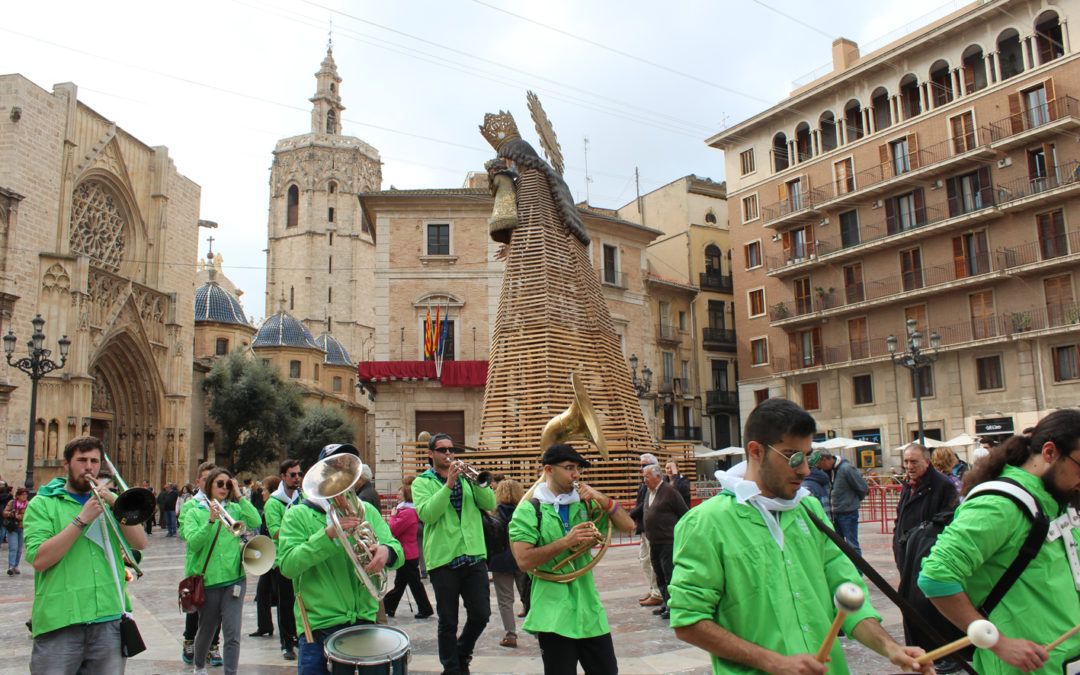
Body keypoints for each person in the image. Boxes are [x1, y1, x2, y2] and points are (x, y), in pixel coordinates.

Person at [669, 398, 932, 674]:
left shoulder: (809, 509)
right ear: (756, 451)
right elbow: (688, 620)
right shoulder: (706, 522)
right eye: (793, 457)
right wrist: (773, 662)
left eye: (810, 456)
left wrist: (891, 649)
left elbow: (846, 594)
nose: (806, 469)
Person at [919, 409, 1080, 674]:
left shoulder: (1057, 499)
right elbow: (936, 576)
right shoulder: (999, 505)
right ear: (1050, 453)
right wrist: (997, 642)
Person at [24, 436, 148, 674]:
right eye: (81, 460)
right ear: (67, 464)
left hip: (108, 617)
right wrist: (82, 520)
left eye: (94, 460)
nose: (89, 467)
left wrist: (116, 503)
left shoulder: (109, 504)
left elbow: (140, 542)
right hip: (61, 621)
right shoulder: (43, 504)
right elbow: (40, 559)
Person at [509, 443, 635, 674]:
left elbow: (629, 525)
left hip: (589, 607)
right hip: (553, 612)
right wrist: (566, 542)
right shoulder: (528, 509)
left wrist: (602, 498)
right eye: (569, 468)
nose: (576, 474)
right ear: (548, 470)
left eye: (578, 468)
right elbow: (523, 561)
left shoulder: (586, 502)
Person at [278, 442, 403, 675]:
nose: (342, 475)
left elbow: (396, 548)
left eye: (348, 468)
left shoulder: (366, 510)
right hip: (319, 628)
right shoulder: (298, 514)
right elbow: (287, 566)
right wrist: (328, 536)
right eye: (335, 467)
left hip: (365, 621)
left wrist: (387, 551)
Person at [413, 432, 495, 675]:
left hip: (473, 555)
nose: (448, 454)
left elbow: (490, 503)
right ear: (431, 454)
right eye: (442, 450)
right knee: (448, 621)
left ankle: (461, 652)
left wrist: (475, 481)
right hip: (443, 559)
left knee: (481, 614)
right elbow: (427, 514)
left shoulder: (467, 478)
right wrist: (448, 485)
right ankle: (452, 668)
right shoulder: (422, 482)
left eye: (451, 449)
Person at [182, 467, 261, 675]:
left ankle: (230, 672)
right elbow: (194, 543)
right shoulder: (194, 511)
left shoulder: (234, 510)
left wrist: (239, 495)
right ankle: (199, 666)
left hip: (234, 579)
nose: (224, 488)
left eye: (228, 484)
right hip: (208, 582)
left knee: (232, 632)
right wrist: (210, 521)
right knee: (207, 630)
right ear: (209, 486)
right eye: (220, 484)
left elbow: (256, 521)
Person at [893, 444, 961, 673]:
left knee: (931, 606)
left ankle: (947, 654)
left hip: (928, 553)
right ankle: (923, 650)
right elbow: (901, 515)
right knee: (911, 604)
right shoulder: (908, 485)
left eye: (914, 462)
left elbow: (950, 516)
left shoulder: (942, 485)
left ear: (927, 461)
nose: (909, 466)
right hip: (907, 553)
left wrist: (922, 534)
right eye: (906, 461)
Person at [178, 462, 223, 666]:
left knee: (216, 610)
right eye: (205, 478)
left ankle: (213, 646)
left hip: (218, 567)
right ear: (198, 481)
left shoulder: (223, 503)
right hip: (198, 566)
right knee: (195, 606)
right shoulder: (190, 505)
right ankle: (190, 641)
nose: (210, 482)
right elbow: (185, 534)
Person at [263, 458, 303, 660]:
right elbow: (275, 531)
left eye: (299, 474)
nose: (297, 478)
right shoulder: (273, 502)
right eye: (293, 475)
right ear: (283, 476)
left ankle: (298, 635)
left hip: (301, 556)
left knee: (301, 599)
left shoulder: (302, 497)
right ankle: (286, 642)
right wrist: (297, 530)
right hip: (283, 559)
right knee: (285, 603)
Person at [384, 477, 434, 620]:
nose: (397, 496)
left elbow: (393, 529)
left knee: (412, 584)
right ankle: (390, 607)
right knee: (402, 583)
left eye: (400, 494)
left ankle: (424, 608)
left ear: (406, 495)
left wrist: (392, 517)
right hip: (407, 552)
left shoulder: (407, 512)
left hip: (407, 553)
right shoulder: (407, 510)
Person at [642, 463, 688, 620]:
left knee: (669, 574)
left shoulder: (669, 491)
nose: (645, 480)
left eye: (647, 477)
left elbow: (684, 513)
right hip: (654, 541)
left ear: (658, 476)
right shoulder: (649, 492)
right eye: (643, 477)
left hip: (668, 541)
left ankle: (674, 606)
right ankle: (666, 603)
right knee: (659, 574)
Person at [488, 478, 529, 647]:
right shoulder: (525, 510)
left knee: (505, 600)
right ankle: (540, 630)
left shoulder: (493, 513)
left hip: (500, 561)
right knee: (528, 594)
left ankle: (510, 634)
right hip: (522, 558)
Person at [629, 452, 663, 608]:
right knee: (644, 560)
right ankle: (653, 588)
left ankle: (658, 592)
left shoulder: (655, 485)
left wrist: (629, 515)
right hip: (644, 528)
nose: (640, 469)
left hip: (651, 529)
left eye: (643, 465)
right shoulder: (644, 484)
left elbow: (645, 505)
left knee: (651, 560)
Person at [819, 450, 869, 555]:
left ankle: (857, 571)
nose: (819, 467)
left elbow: (863, 488)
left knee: (852, 546)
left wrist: (851, 502)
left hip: (848, 513)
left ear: (825, 460)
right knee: (839, 545)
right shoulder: (830, 471)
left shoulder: (846, 468)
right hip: (835, 513)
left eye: (819, 464)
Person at [250, 475, 278, 642]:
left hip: (275, 556)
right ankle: (264, 625)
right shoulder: (268, 506)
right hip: (267, 555)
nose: (262, 493)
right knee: (262, 592)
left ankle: (287, 632)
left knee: (280, 595)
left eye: (264, 490)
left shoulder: (274, 506)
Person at [4, 486, 29, 574]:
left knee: (19, 549)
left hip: (22, 528)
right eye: (22, 495)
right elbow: (4, 512)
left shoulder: (28, 504)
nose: (24, 496)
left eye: (26, 495)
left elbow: (30, 516)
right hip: (13, 528)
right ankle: (11, 567)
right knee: (13, 548)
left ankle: (16, 566)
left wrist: (21, 517)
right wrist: (12, 514)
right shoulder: (12, 502)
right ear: (18, 496)